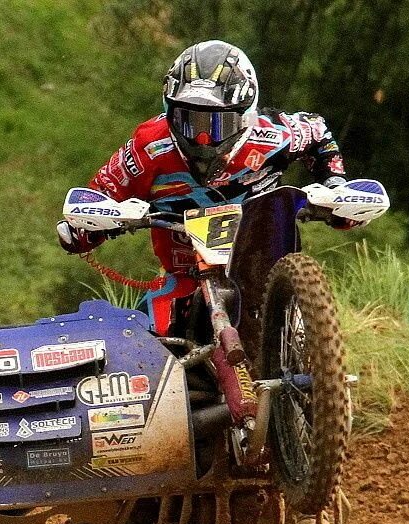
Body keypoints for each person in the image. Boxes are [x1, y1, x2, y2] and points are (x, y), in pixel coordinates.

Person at [56, 40, 374, 335]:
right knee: (142, 336)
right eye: (188, 121)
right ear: (169, 112)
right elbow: (98, 197)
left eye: (216, 124)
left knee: (306, 332)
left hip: (263, 268)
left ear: (245, 117)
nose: (203, 138)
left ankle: (324, 383)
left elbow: (318, 132)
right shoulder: (149, 147)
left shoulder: (274, 135)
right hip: (186, 276)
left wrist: (335, 187)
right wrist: (85, 230)